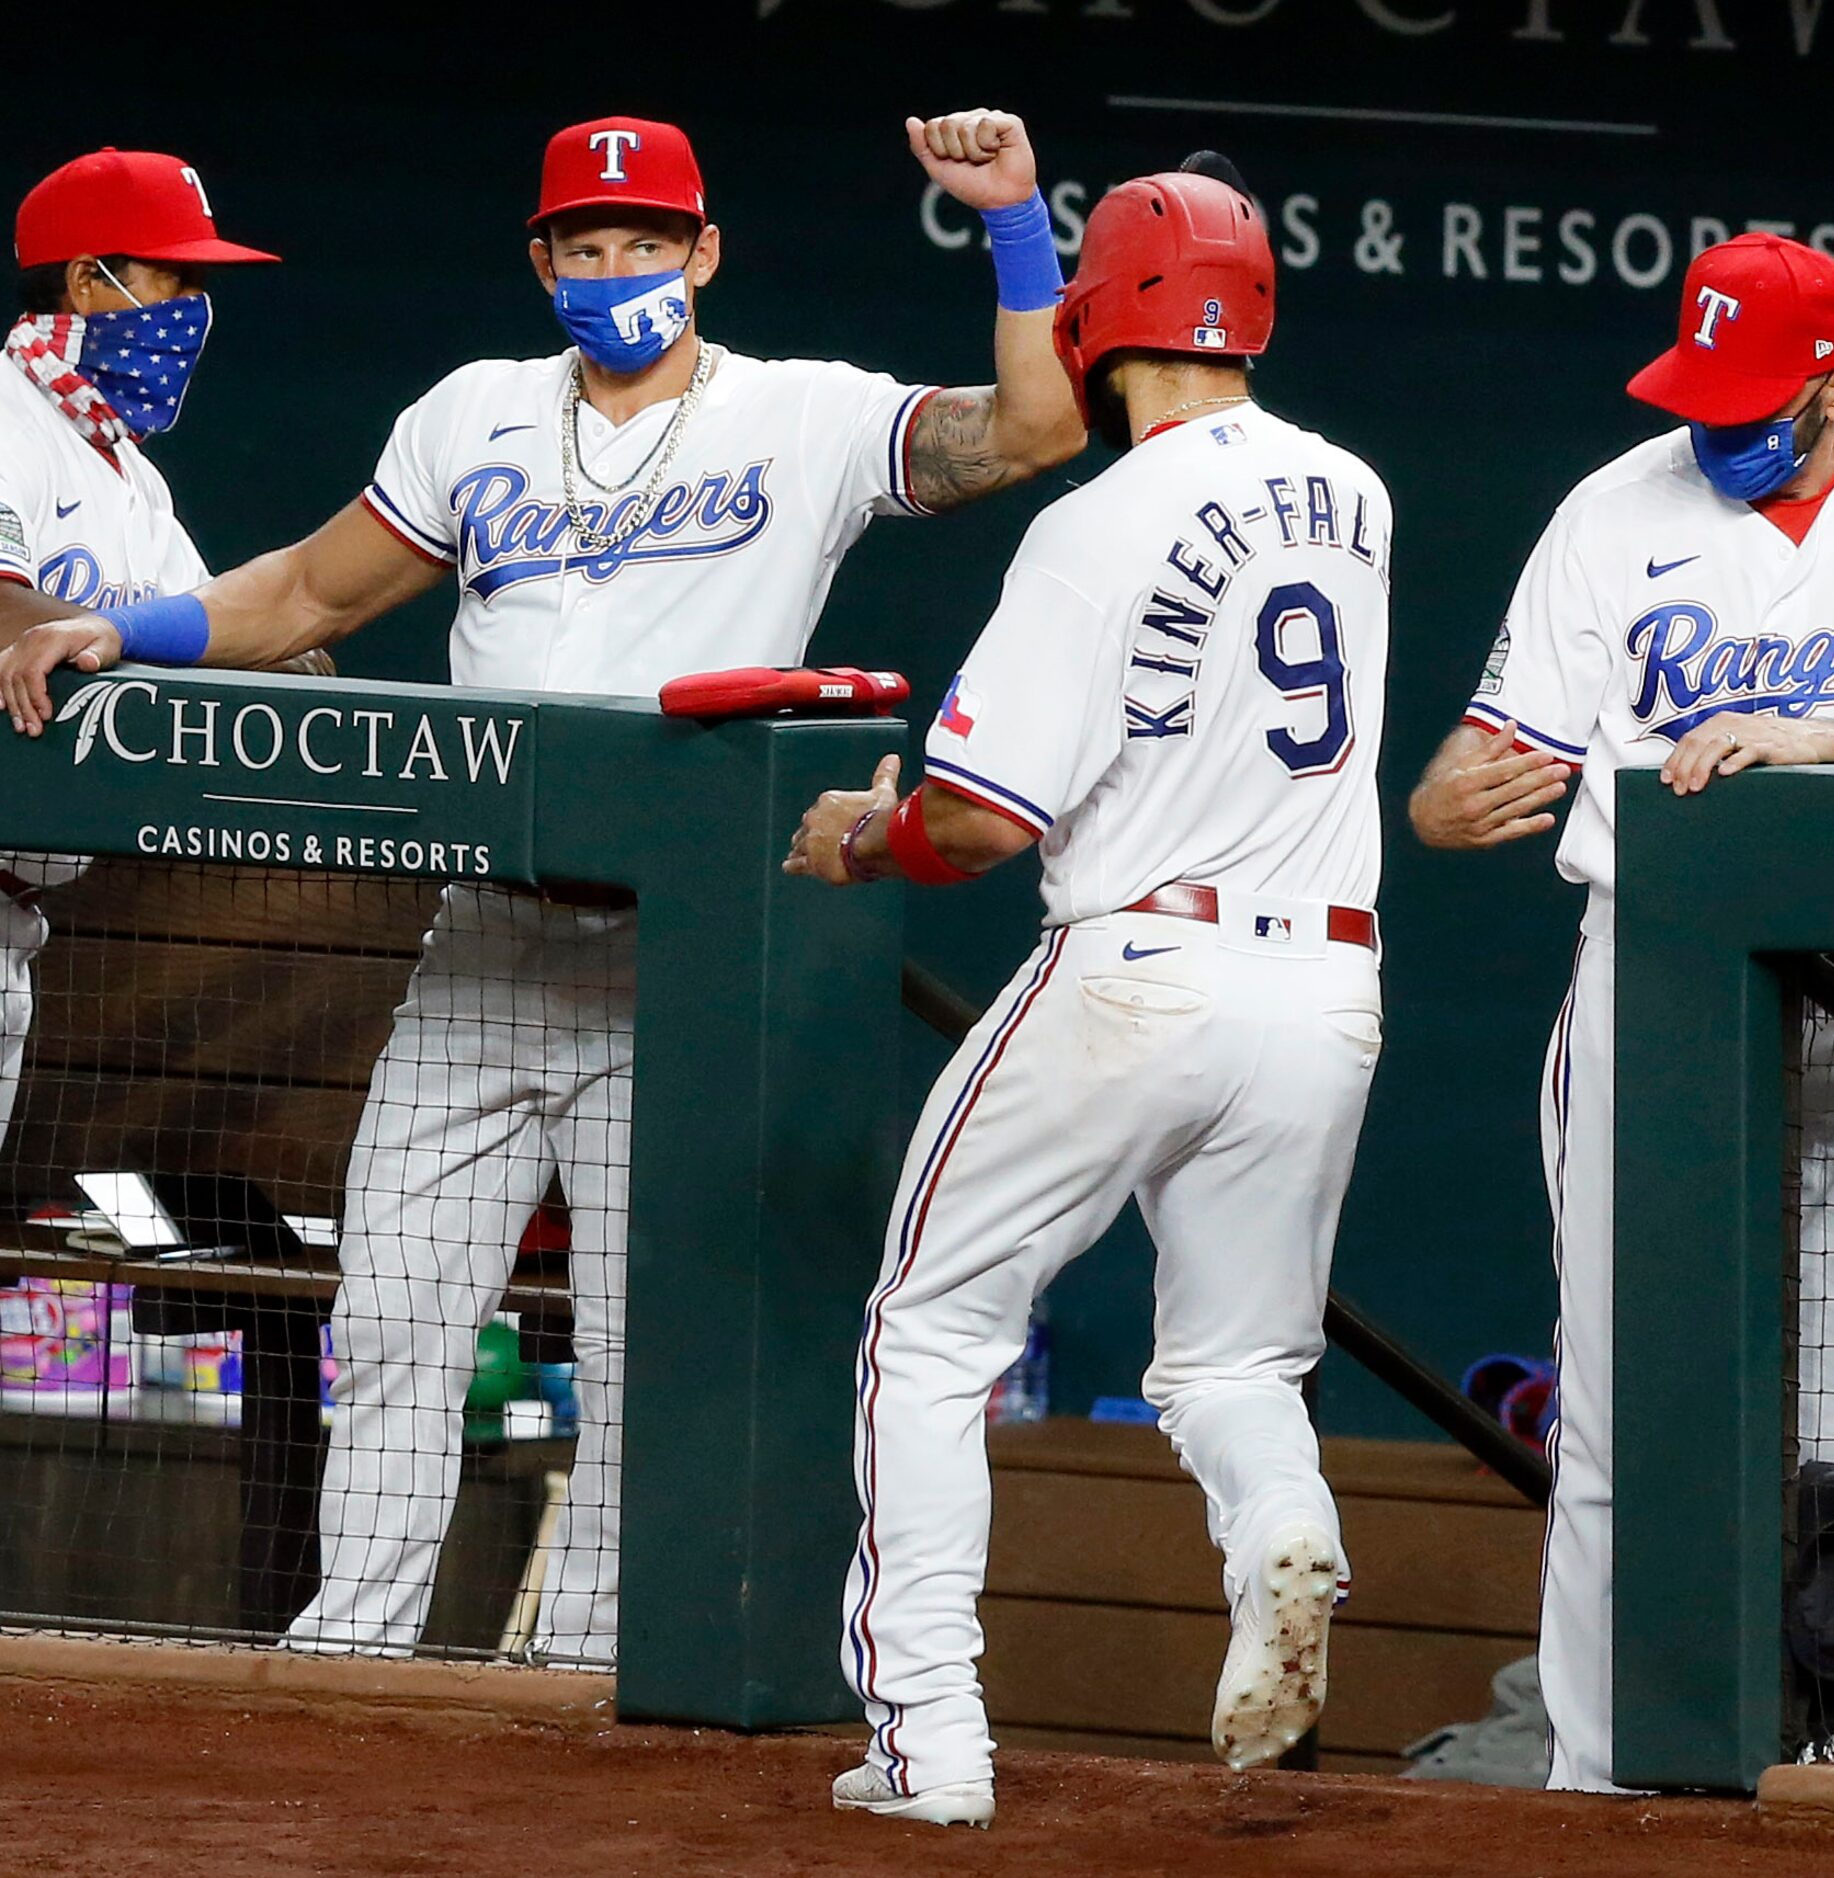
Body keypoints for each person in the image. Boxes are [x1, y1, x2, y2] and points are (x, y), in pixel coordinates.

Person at [0, 108, 1083, 1666]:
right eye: (585, 242)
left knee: (652, 1349)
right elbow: (310, 587)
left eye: (647, 241)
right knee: (386, 1320)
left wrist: (1014, 223)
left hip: (688, 944)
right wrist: (134, 633)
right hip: (486, 942)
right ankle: (352, 1649)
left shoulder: (803, 417)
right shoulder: (473, 414)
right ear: (542, 260)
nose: (616, 267)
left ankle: (579, 1666)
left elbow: (1035, 433)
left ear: (704, 253)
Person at [783, 156, 1391, 1828]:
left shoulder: (1093, 521)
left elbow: (979, 819)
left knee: (927, 1327)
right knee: (1235, 1367)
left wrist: (863, 836)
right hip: (1324, 983)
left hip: (1141, 960)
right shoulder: (1353, 493)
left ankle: (929, 1742)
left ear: (1101, 316)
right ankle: (1278, 1515)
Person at [1409, 233, 1834, 1792]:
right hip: (1656, 984)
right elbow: (1484, 751)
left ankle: (1787, 1764)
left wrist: (1806, 737)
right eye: (1703, 390)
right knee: (1620, 1416)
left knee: (1829, 1432)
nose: (1717, 424)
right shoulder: (1612, 509)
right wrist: (1446, 796)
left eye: (1755, 398)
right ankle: (1594, 1774)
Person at [0, 148, 278, 1156]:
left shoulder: (127, 478)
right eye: (176, 276)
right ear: (88, 280)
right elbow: (4, 618)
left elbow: (257, 641)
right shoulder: (8, 422)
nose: (196, 306)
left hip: (18, 919)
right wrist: (126, 641)